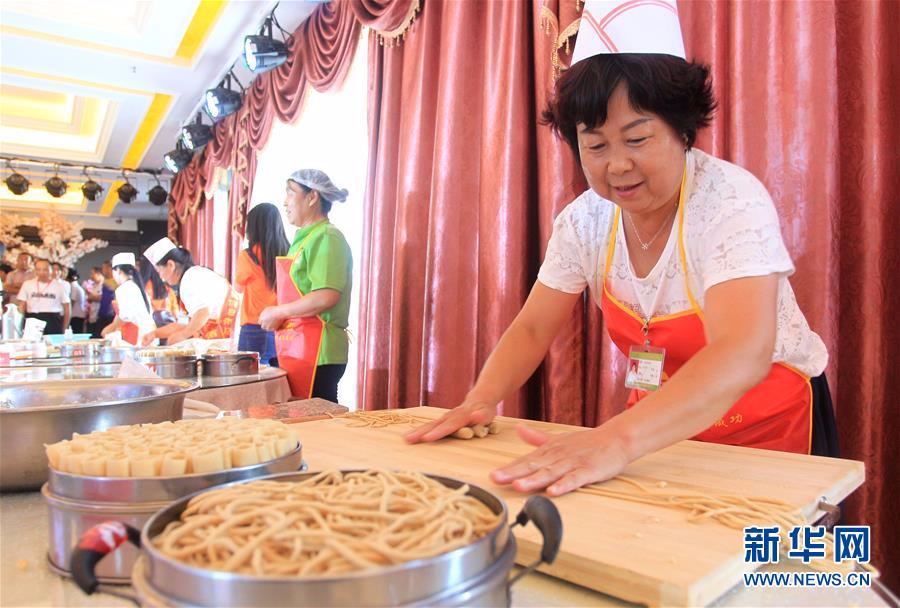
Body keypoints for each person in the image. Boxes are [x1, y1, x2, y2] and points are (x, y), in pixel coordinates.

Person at [406, 0, 837, 497]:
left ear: (683, 130)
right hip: (658, 435)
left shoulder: (728, 202)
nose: (617, 166)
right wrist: (482, 399)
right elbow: (532, 327)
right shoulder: (585, 221)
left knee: (779, 573)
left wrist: (614, 440)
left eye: (637, 138)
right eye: (596, 145)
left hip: (767, 429)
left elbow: (742, 352)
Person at [258, 170, 352, 402]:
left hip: (319, 351)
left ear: (312, 197)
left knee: (318, 425)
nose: (285, 202)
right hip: (300, 348)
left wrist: (279, 311)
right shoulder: (305, 238)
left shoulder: (327, 236)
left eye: (291, 193)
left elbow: (326, 296)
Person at [141, 238, 239, 345]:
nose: (160, 277)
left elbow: (203, 312)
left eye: (159, 271)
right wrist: (154, 334)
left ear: (170, 265)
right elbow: (185, 324)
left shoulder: (190, 279)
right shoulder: (192, 275)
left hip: (229, 335)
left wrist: (183, 335)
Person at [234, 203, 289, 365]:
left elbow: (238, 287)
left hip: (254, 327)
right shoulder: (289, 252)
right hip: (282, 327)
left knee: (250, 380)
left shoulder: (248, 256)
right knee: (277, 377)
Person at [101, 253, 157, 346]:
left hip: (140, 338)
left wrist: (111, 327)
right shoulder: (135, 286)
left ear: (118, 271)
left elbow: (126, 316)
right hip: (148, 335)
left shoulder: (124, 288)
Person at [16, 258, 70, 335]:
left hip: (53, 319)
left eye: (45, 269)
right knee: (32, 345)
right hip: (32, 318)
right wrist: (20, 324)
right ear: (35, 270)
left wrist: (65, 328)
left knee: (53, 346)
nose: (42, 272)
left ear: (51, 270)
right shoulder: (27, 284)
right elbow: (21, 305)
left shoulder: (59, 286)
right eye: (38, 269)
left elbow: (67, 307)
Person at [139, 259, 179, 328]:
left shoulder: (138, 289)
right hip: (165, 331)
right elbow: (175, 315)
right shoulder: (168, 290)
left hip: (145, 331)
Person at [84, 266, 105, 337]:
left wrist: (92, 297)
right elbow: (90, 298)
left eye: (93, 274)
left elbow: (100, 298)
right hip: (92, 317)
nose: (91, 276)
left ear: (98, 274)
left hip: (100, 317)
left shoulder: (104, 285)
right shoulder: (94, 285)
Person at [67, 268, 88, 334]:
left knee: (76, 334)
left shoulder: (73, 286)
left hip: (76, 316)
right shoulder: (76, 286)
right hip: (78, 315)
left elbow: (72, 302)